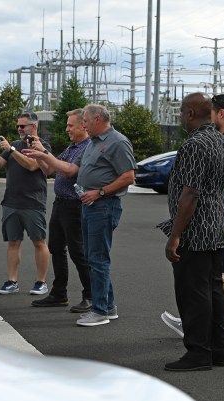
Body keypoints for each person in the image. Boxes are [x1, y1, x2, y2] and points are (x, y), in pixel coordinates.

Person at [23, 104, 136, 327]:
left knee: (96, 258)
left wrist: (100, 192)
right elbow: (71, 170)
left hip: (103, 205)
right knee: (95, 257)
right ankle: (108, 306)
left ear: (97, 120)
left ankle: (99, 310)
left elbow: (129, 176)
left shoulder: (117, 142)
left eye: (84, 121)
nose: (83, 125)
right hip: (88, 205)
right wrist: (43, 154)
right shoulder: (92, 143)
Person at [161, 94, 224, 346]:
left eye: (181, 112)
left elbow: (195, 192)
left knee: (205, 285)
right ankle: (216, 340)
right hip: (216, 223)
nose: (179, 116)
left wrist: (177, 234)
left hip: (207, 226)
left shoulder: (207, 142)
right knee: (212, 285)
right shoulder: (222, 141)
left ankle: (208, 342)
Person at [26, 109, 93, 312]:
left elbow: (69, 170)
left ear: (83, 125)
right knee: (56, 248)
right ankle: (59, 293)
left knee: (78, 252)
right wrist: (37, 153)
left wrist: (43, 153)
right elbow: (49, 169)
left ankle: (90, 295)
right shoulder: (72, 147)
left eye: (71, 125)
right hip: (61, 204)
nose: (67, 129)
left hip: (74, 205)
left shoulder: (87, 148)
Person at [0, 111, 52, 296]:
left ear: (34, 126)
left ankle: (41, 282)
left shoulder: (42, 146)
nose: (19, 129)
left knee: (39, 241)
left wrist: (11, 150)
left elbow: (32, 165)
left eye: (22, 126)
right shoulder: (14, 145)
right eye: (18, 126)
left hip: (33, 202)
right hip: (11, 201)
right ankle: (12, 281)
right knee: (13, 242)